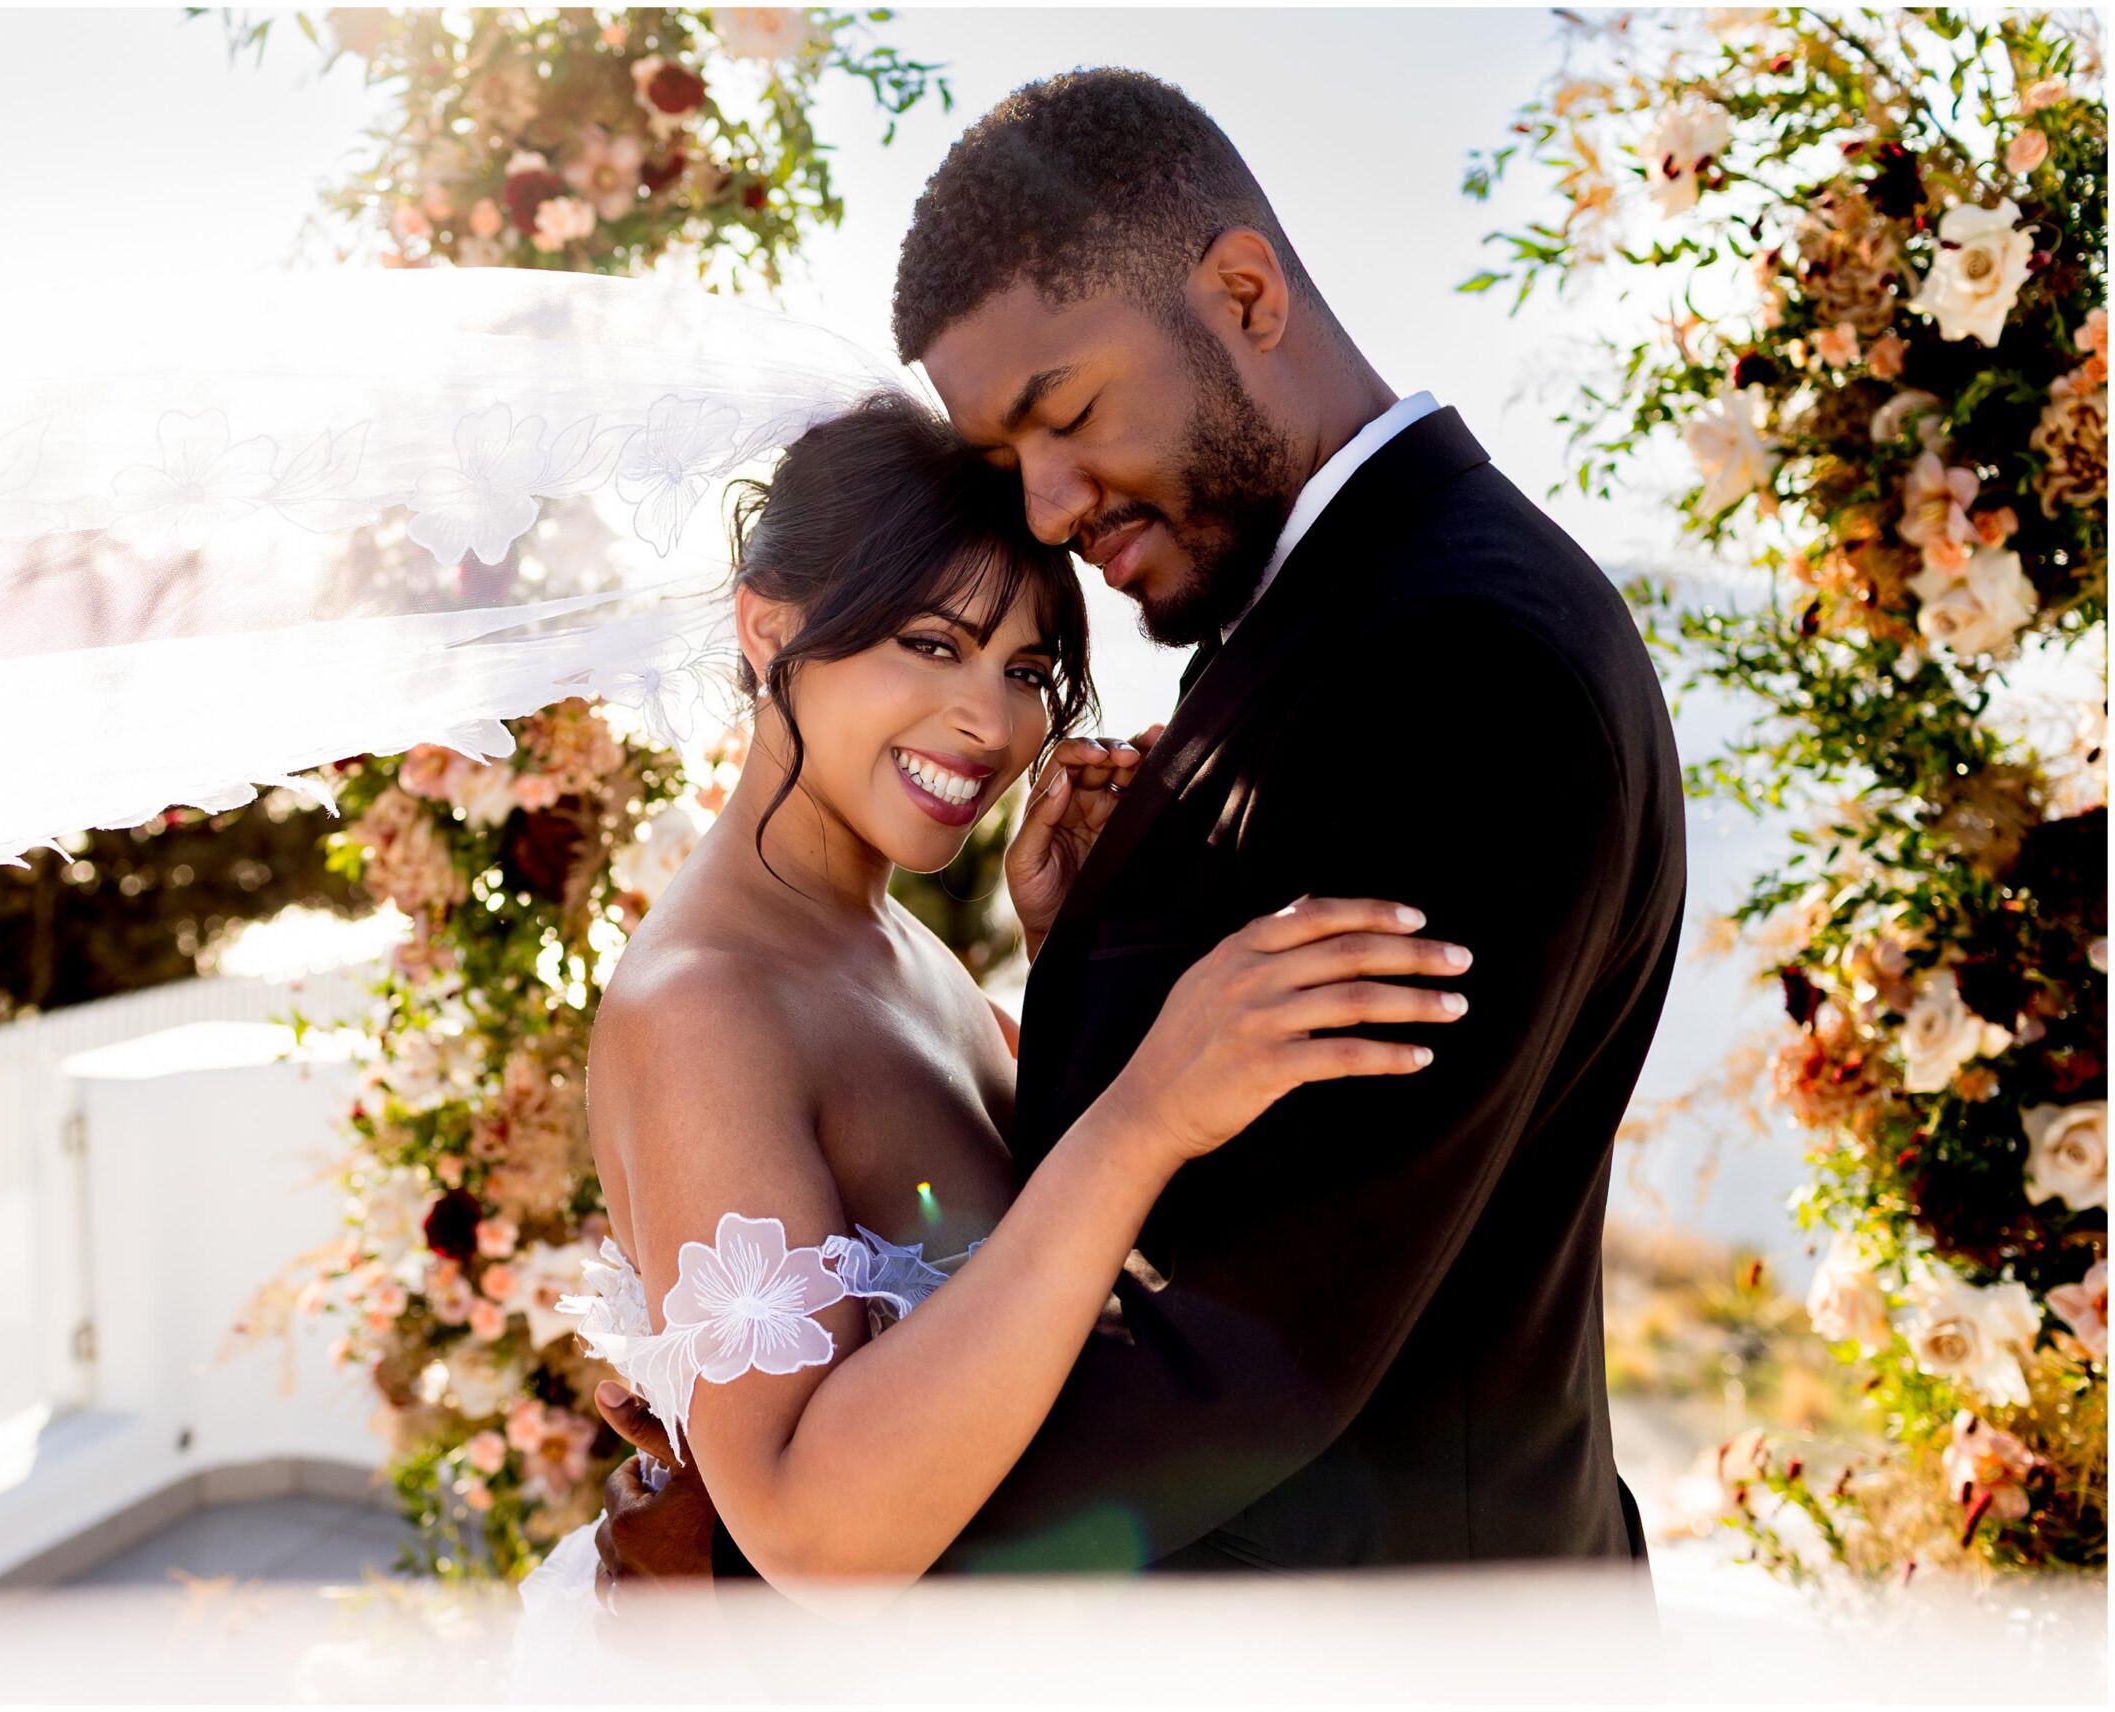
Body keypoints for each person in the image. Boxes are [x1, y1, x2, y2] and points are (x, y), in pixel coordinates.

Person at [592, 67, 1686, 1586]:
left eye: (1069, 412)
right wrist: (1089, 988)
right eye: (929, 640)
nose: (1045, 509)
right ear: (768, 627)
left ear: (1243, 292)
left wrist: (751, 1573)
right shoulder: (1312, 623)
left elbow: (1256, 1344)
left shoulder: (1458, 661)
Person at [510, 389, 1466, 1639]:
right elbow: (803, 1524)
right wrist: (1141, 1116)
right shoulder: (704, 1005)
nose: (993, 721)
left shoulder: (894, 946)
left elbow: (1030, 1288)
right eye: (929, 642)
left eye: (1024, 669)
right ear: (768, 628)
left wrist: (1069, 955)